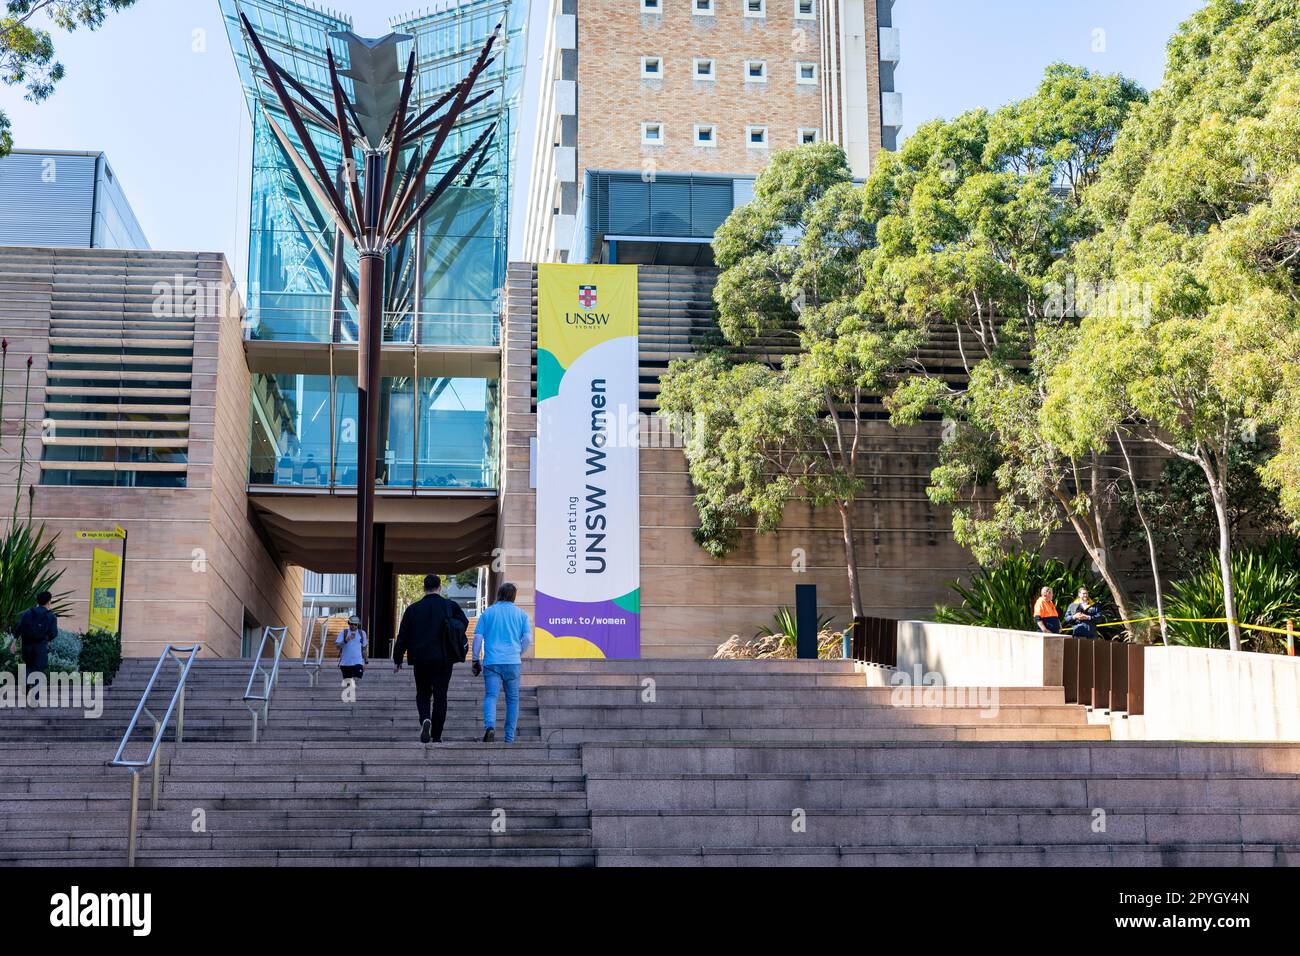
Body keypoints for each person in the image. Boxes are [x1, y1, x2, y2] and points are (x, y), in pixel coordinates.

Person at [392, 574, 469, 743]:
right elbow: (464, 623)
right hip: (443, 658)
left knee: (423, 693)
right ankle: (437, 735)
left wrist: (398, 658)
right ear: (440, 587)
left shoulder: (413, 609)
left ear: (423, 588)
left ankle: (425, 719)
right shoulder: (450, 606)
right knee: (441, 696)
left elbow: (402, 636)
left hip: (420, 659)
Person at [471, 582, 534, 743]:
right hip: (513, 661)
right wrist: (518, 652)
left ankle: (490, 727)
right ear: (514, 596)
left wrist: (475, 659)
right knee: (512, 699)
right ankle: (509, 737)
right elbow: (527, 638)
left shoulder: (488, 613)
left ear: (498, 594)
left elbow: (478, 637)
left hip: (492, 661)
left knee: (491, 696)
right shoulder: (521, 614)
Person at [14, 591, 58, 689]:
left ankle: (25, 682)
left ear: (37, 601)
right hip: (40, 646)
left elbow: (19, 627)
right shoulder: (51, 616)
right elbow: (54, 634)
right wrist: (47, 638)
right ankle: (34, 696)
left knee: (29, 665)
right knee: (38, 669)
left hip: (26, 645)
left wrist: (14, 641)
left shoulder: (28, 612)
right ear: (49, 602)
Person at [335, 614, 367, 684]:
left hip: (358, 662)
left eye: (355, 624)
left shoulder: (362, 633)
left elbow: (364, 648)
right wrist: (346, 640)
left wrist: (366, 662)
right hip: (345, 663)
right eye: (352, 624)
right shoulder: (344, 632)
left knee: (356, 679)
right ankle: (351, 693)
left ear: (358, 624)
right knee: (348, 685)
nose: (353, 626)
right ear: (349, 624)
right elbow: (337, 647)